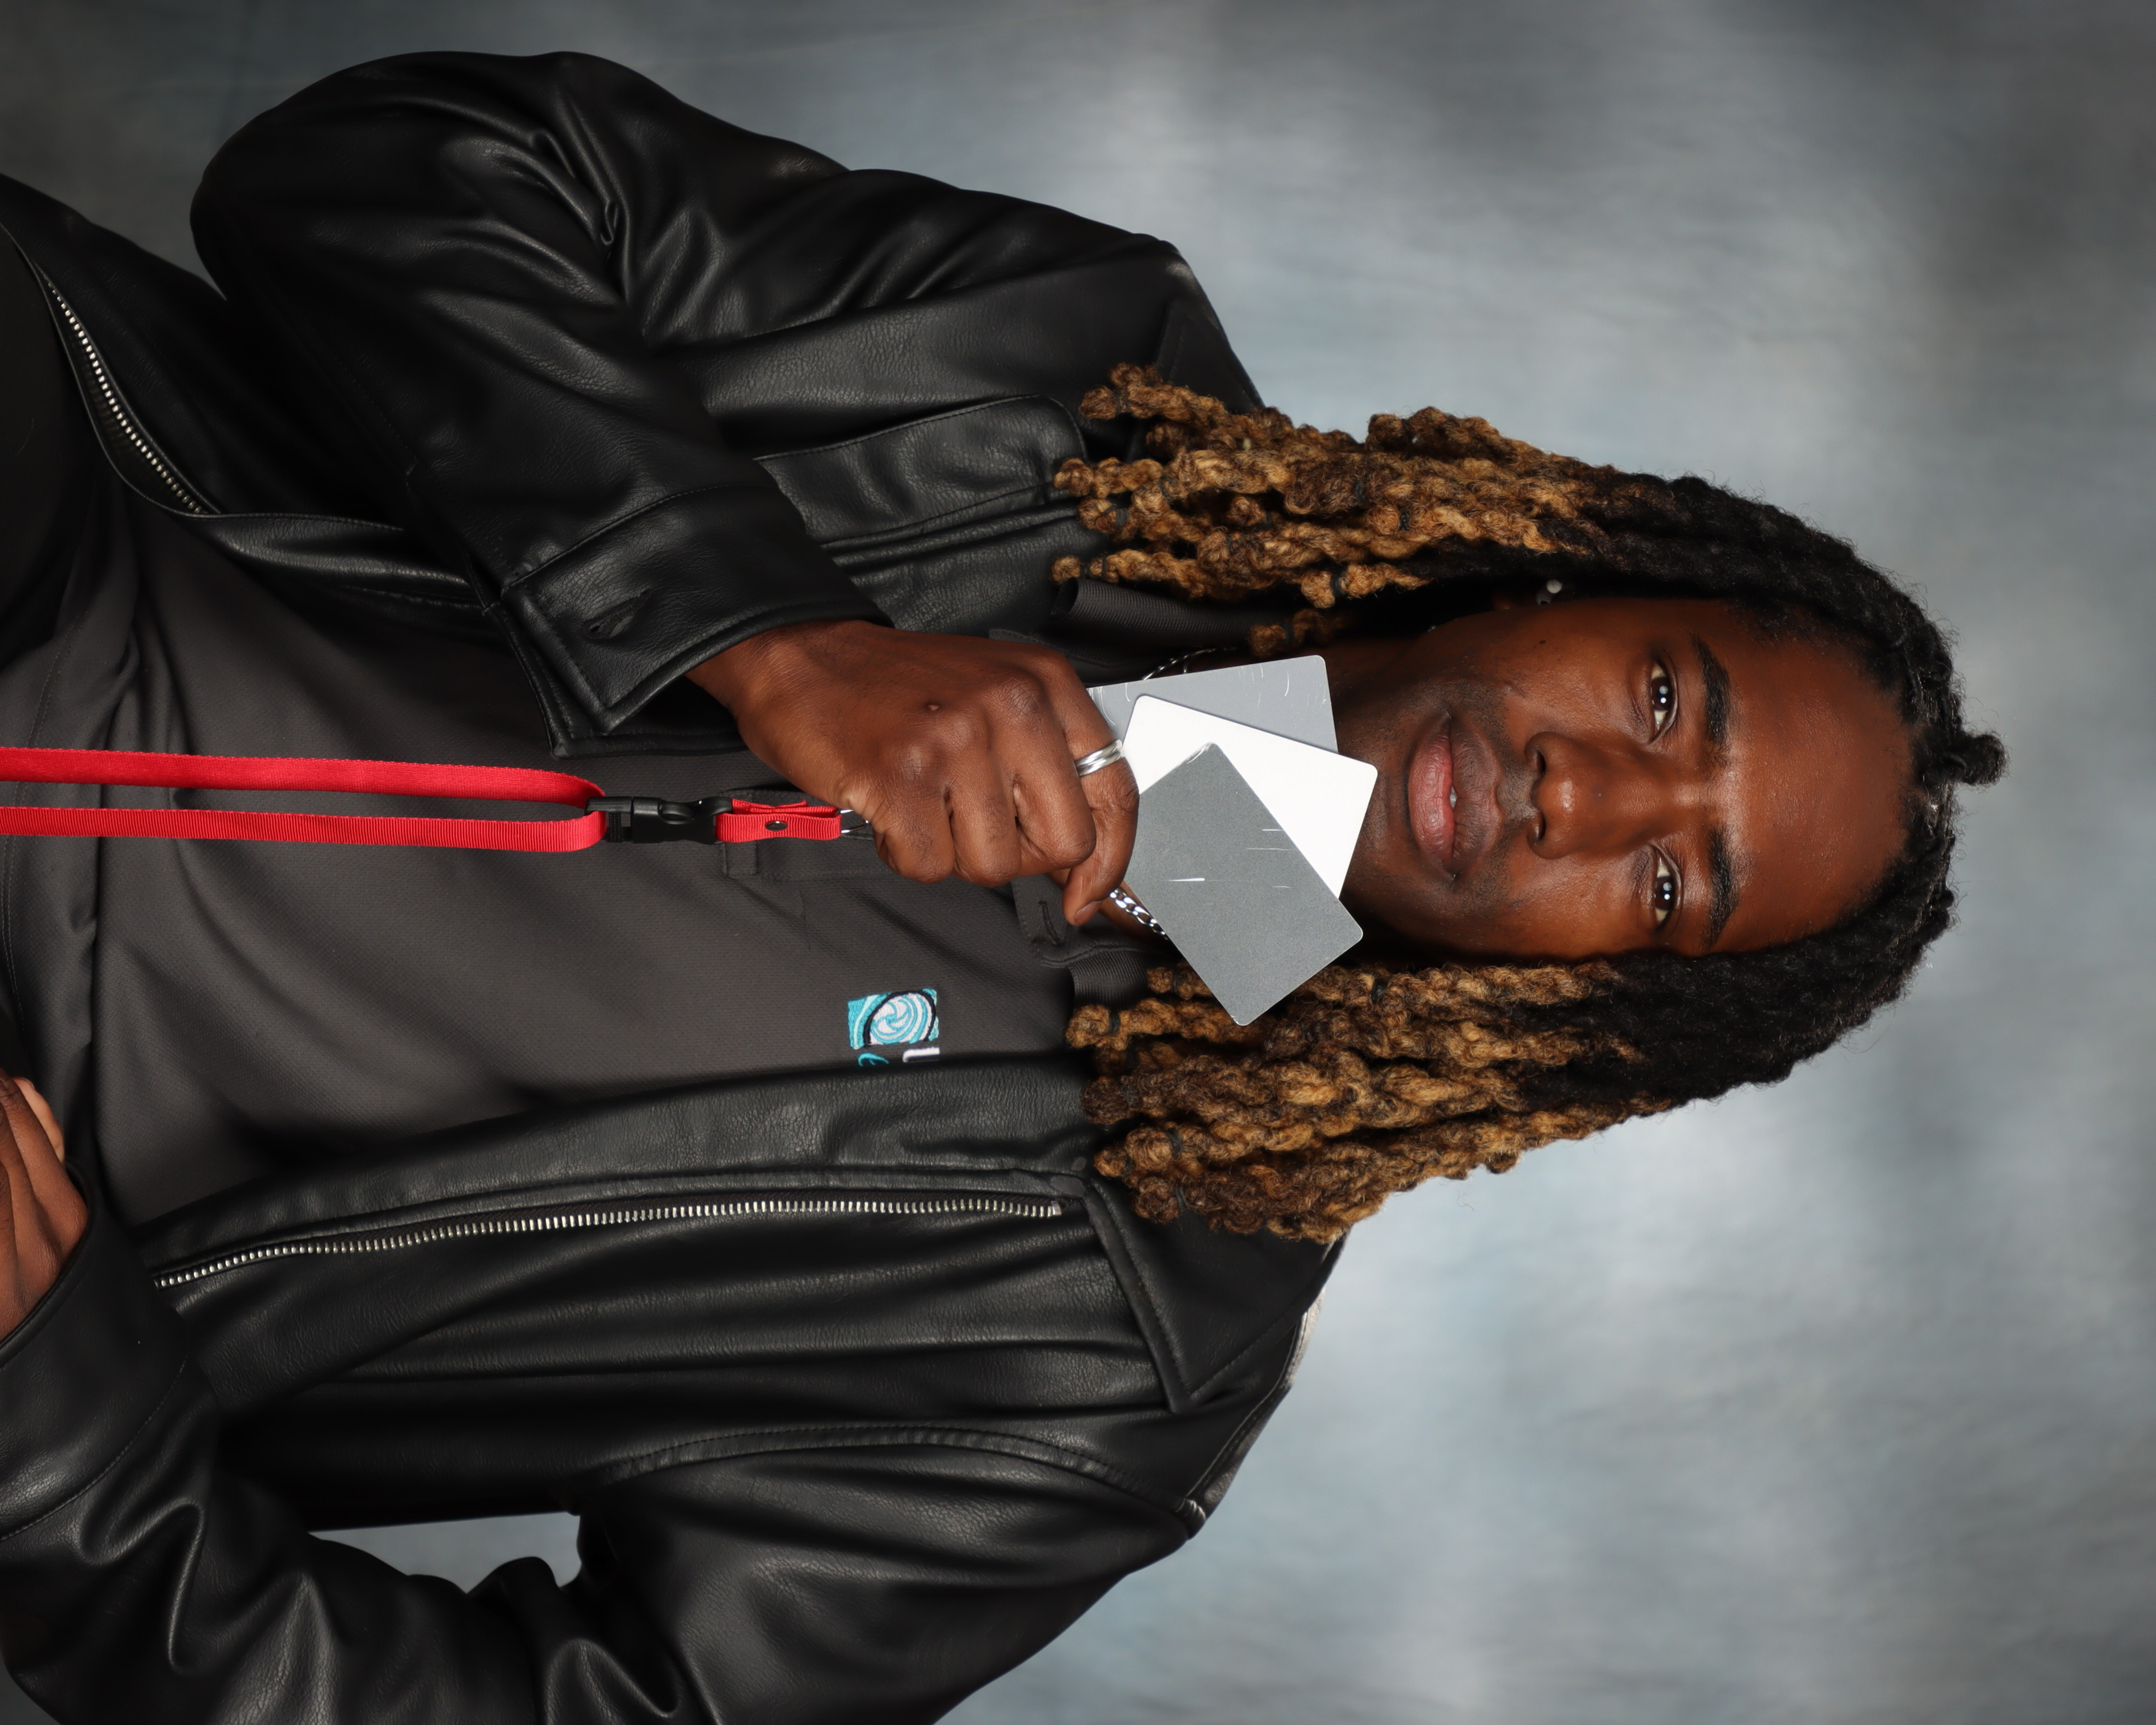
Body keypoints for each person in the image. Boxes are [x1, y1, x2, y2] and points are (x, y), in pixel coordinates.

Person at [0, 52, 1999, 1725]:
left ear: (1613, 1007)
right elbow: (382, 171)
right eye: (1667, 699)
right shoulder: (1062, 379)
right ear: (1583, 568)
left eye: (1673, 882)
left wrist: (52, 1420)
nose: (1591, 794)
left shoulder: (1123, 1362)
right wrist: (765, 634)